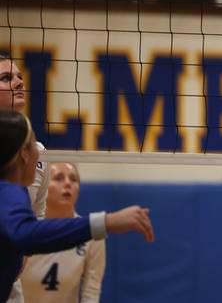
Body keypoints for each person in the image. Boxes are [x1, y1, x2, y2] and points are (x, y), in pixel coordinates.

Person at [0, 111, 155, 301]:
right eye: (34, 145)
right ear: (24, 154)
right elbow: (25, 233)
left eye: (73, 179)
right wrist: (106, 222)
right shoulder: (10, 193)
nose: (40, 153)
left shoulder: (17, 195)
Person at [1, 52, 49, 303]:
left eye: (19, 76)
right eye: (6, 78)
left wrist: (22, 256)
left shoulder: (36, 152)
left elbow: (37, 212)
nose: (19, 82)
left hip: (9, 285)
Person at [21, 162, 106, 302]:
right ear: (43, 186)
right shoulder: (25, 228)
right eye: (59, 178)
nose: (68, 183)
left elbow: (91, 292)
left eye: (73, 179)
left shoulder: (91, 233)